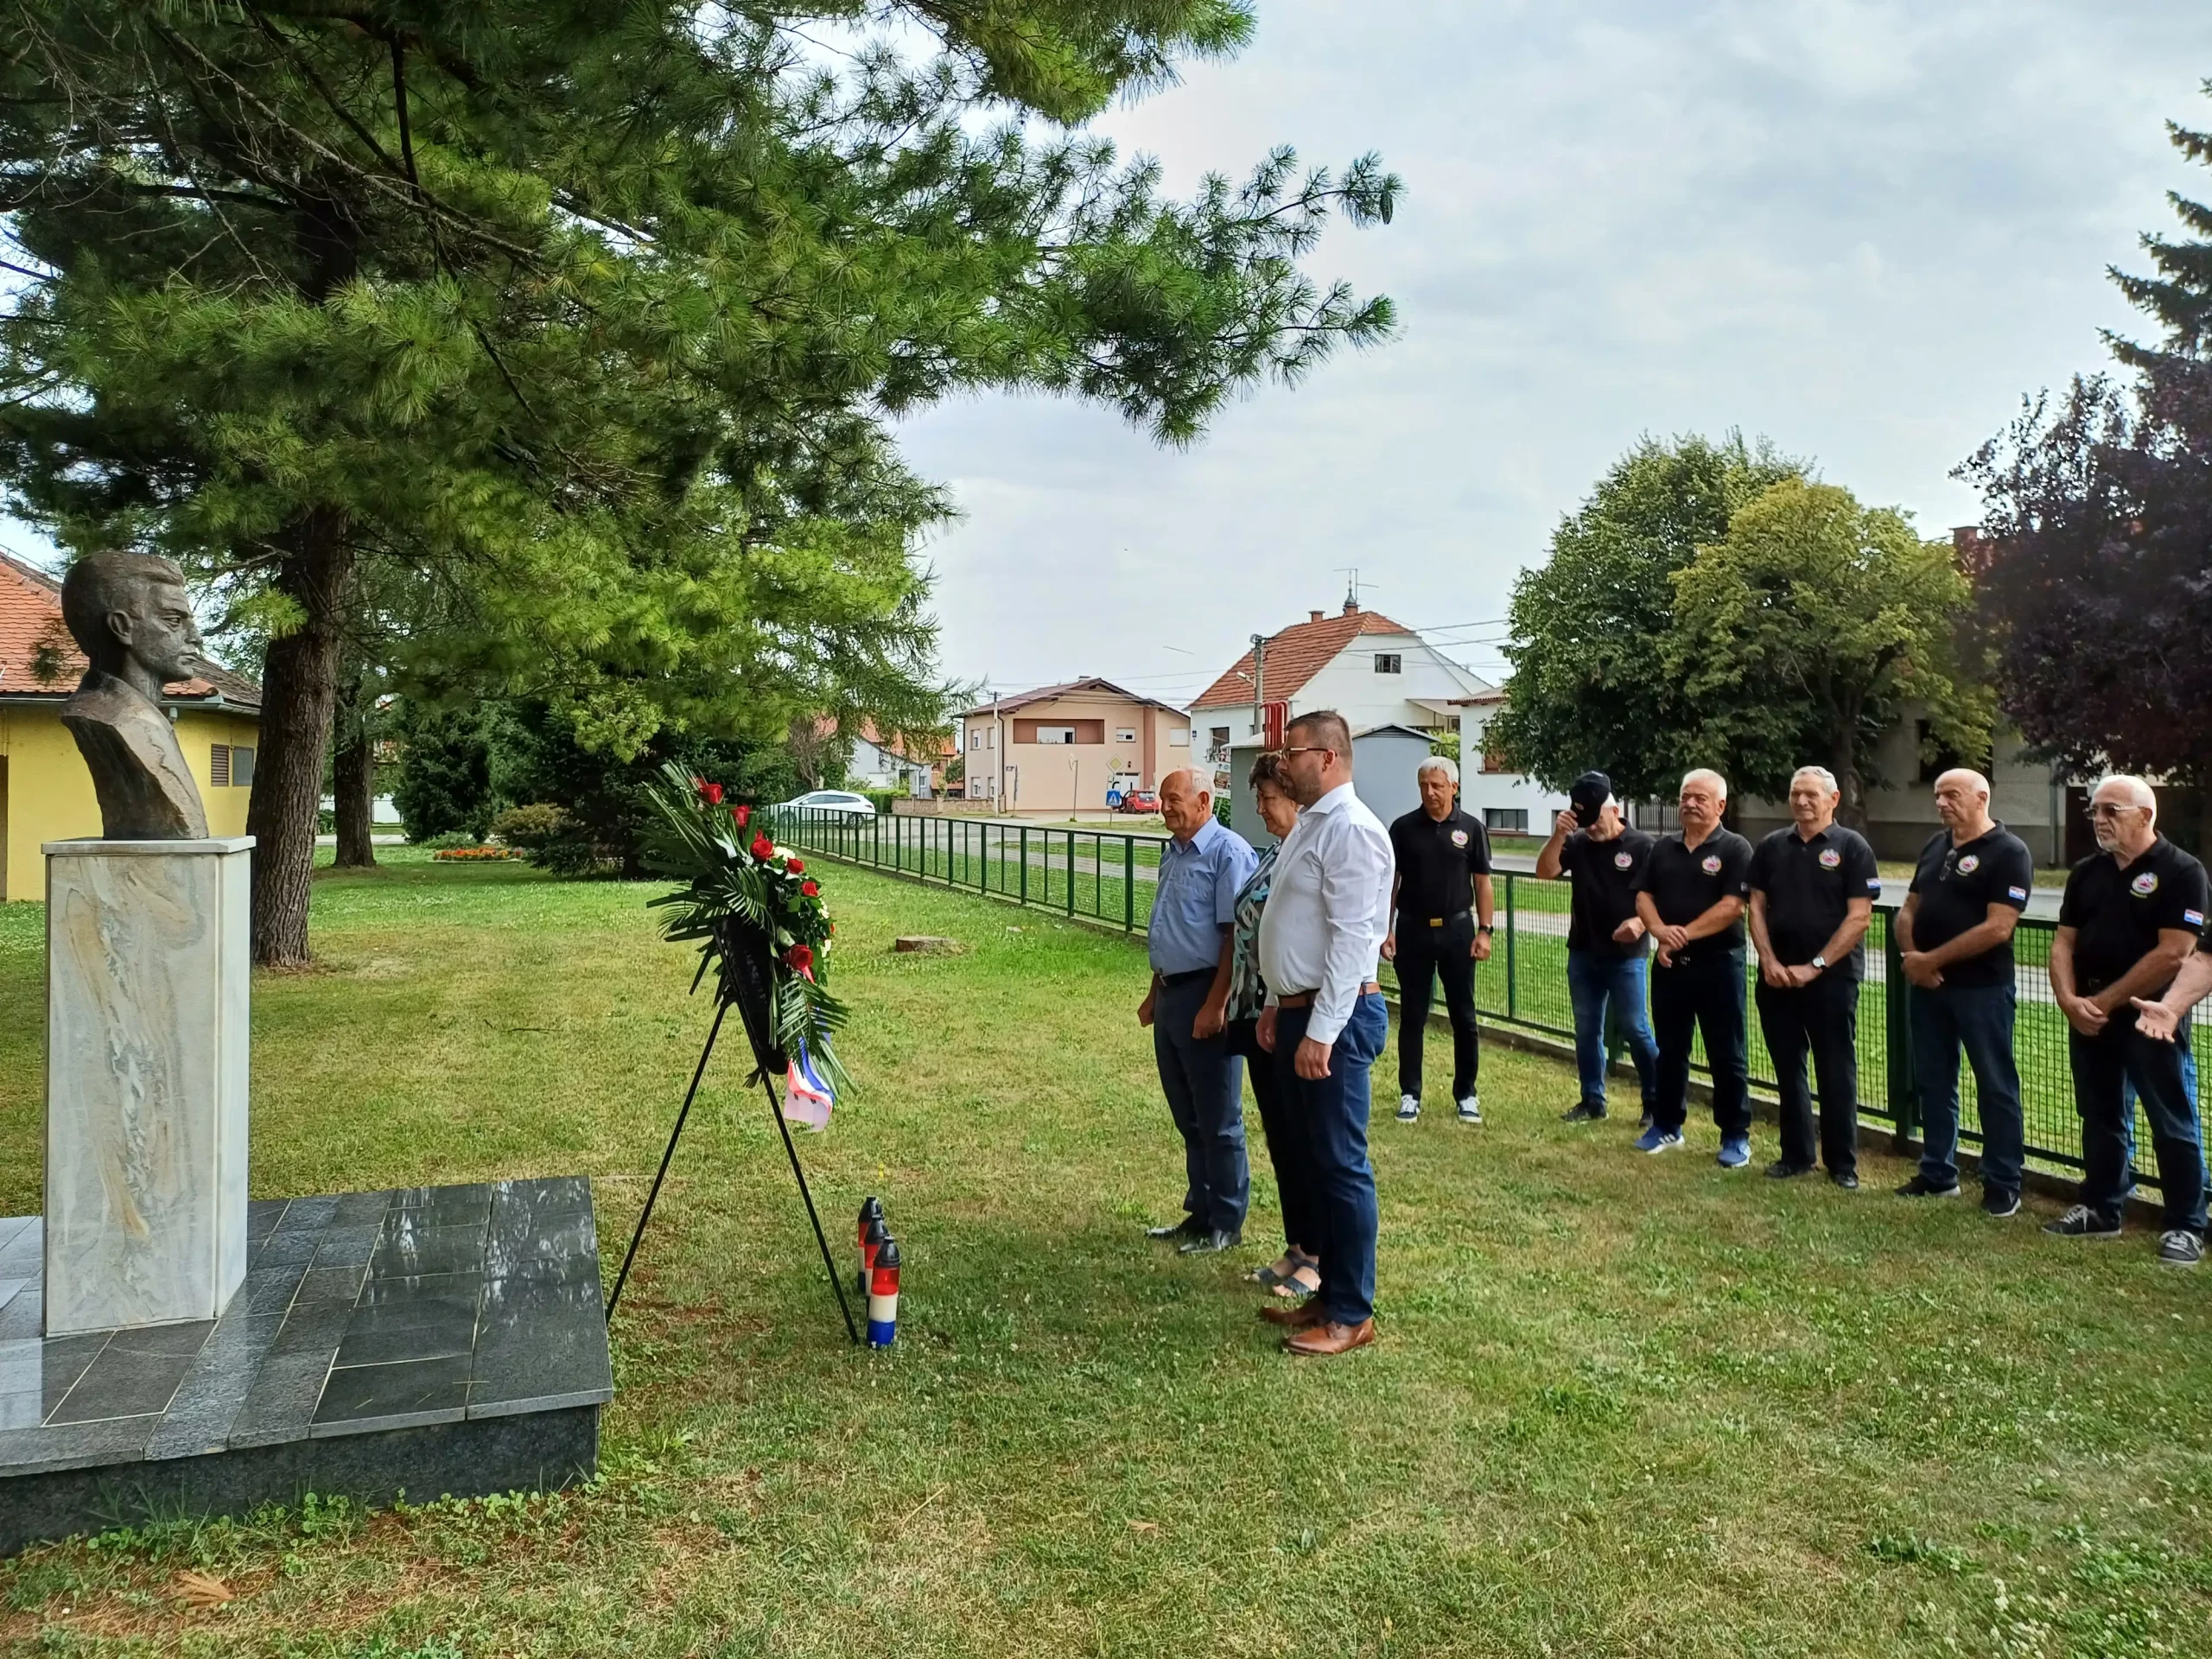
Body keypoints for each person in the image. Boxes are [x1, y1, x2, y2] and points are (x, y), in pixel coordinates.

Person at [1255, 710, 1394, 1358]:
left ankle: (1352, 1314)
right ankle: (1329, 1294)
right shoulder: (1312, 826)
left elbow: (1352, 940)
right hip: (1297, 1010)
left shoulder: (1353, 831)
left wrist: (1322, 1031)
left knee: (1341, 1168)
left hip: (1330, 1018)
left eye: (1295, 751)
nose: (1284, 763)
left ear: (1330, 758)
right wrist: (1277, 1005)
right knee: (1313, 1164)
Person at [2044, 776, 2209, 1264]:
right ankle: (2101, 1208)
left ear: (2146, 814)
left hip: (2151, 1018)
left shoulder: (2182, 870)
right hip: (2090, 1017)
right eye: (2094, 810)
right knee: (2100, 1116)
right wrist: (2070, 1000)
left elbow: (2174, 953)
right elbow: (2063, 942)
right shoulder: (2086, 872)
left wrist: (2108, 1001)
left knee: (2171, 1120)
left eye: (2111, 810)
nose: (2098, 819)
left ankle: (2185, 1225)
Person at [1893, 769, 2034, 1216]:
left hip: (1982, 990)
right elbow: (1908, 909)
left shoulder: (2009, 852)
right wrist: (1914, 958)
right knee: (1933, 1081)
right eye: (1937, 795)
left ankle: (2003, 1182)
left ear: (1981, 797)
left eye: (1951, 795)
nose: (1941, 803)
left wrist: (1931, 961)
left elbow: (1999, 926)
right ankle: (1938, 1173)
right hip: (1929, 990)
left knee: (1995, 1085)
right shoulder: (1936, 846)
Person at [1138, 766, 1259, 1254]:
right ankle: (1201, 1211)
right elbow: (1170, 927)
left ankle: (1226, 1221)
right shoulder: (1175, 854)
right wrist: (1154, 992)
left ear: (1204, 800)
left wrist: (1216, 1004)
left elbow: (1235, 936)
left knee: (1218, 1115)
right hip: (1171, 995)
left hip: (1206, 994)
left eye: (1173, 799)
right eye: (1163, 800)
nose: (1165, 807)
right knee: (1187, 1112)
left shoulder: (1228, 853)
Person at [1746, 766, 1880, 1187]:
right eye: (1795, 794)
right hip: (1777, 978)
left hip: (1832, 980)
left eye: (1811, 795)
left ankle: (1842, 1164)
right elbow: (1754, 907)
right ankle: (1796, 1155)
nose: (1802, 802)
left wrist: (1815, 966)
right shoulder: (1771, 846)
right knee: (1788, 1068)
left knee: (1835, 1069)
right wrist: (1767, 960)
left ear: (1833, 798)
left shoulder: (1852, 847)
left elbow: (1860, 918)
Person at [1224, 753, 1324, 1300]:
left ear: (1296, 800)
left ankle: (1319, 1253)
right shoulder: (1273, 855)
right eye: (1258, 798)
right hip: (1258, 1012)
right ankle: (1297, 1245)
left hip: (1292, 1009)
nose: (1260, 809)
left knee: (1307, 1137)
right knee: (1281, 1136)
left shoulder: (1310, 853)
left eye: (1269, 799)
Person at [1633, 769, 1754, 1165]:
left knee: (1727, 1053)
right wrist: (1660, 933)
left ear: (1720, 805)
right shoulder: (1662, 849)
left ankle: (1735, 1136)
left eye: (1701, 798)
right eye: (1686, 796)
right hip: (1670, 966)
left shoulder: (1735, 849)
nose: (1690, 804)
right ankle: (1667, 1125)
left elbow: (1732, 907)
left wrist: (1681, 933)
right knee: (1670, 1051)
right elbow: (1644, 897)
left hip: (1719, 966)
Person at [1537, 771, 1661, 1128]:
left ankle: (1655, 1101)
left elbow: (1660, 898)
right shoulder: (1578, 842)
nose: (1590, 827)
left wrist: (1639, 924)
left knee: (1635, 1028)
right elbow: (1546, 872)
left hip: (1626, 956)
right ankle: (1593, 1100)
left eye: (1595, 819)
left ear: (1615, 809)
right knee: (1587, 1029)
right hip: (1583, 951)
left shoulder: (1643, 846)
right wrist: (1560, 834)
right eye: (1583, 820)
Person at [1382, 756, 1493, 1125]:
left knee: (1464, 1016)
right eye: (1424, 786)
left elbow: (1482, 882)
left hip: (1458, 931)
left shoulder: (1472, 829)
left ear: (1454, 788)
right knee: (1413, 1015)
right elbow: (1391, 884)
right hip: (1413, 931)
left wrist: (1485, 930)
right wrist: (1387, 930)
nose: (1430, 793)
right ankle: (1410, 1094)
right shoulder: (1402, 828)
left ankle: (1467, 1094)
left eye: (1437, 786)